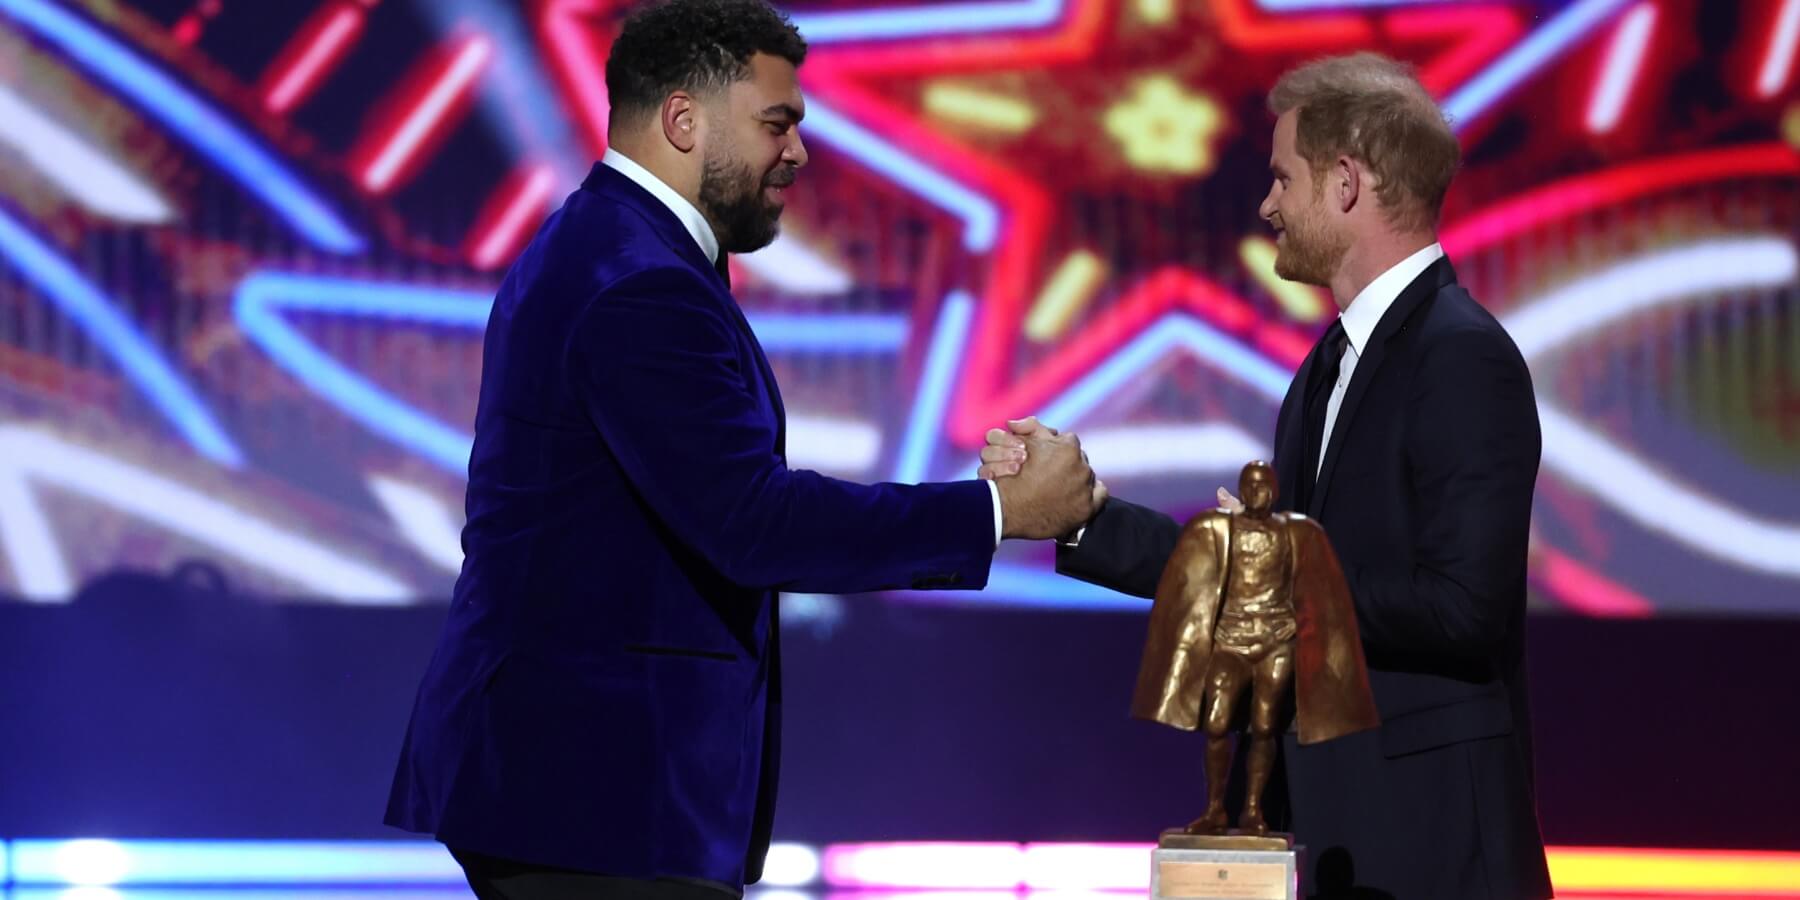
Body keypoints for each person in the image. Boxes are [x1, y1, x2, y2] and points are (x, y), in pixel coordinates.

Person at [383, 1, 1097, 895]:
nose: (797, 153)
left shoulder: (617, 248)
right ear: (684, 120)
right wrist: (997, 511)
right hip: (591, 797)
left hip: (578, 792)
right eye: (777, 123)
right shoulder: (635, 282)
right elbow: (752, 521)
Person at [982, 53, 1552, 899]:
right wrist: (1083, 514)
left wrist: (1282, 567)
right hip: (1332, 840)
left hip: (1429, 850)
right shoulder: (1327, 367)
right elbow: (1263, 576)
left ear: (1347, 183)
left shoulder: (1462, 358)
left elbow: (1464, 607)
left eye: (1284, 178)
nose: (1267, 205)